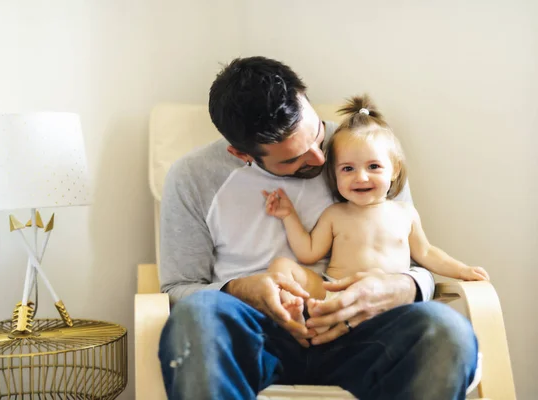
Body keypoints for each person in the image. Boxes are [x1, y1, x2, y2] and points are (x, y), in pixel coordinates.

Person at [158, 56, 478, 400]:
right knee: (198, 316)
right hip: (258, 334)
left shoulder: (363, 150)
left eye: (315, 135)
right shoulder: (192, 178)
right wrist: (239, 289)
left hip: (361, 331)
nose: (320, 158)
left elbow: (416, 256)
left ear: (306, 98)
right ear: (241, 153)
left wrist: (402, 287)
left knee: (446, 330)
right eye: (292, 159)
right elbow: (178, 289)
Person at [263, 94, 489, 327]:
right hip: (334, 292)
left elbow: (427, 253)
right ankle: (292, 312)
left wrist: (462, 270)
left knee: (431, 322)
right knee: (281, 267)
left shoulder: (405, 213)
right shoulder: (335, 214)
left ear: (394, 170)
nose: (361, 177)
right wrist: (288, 216)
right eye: (348, 168)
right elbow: (308, 252)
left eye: (373, 166)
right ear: (334, 174)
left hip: (384, 300)